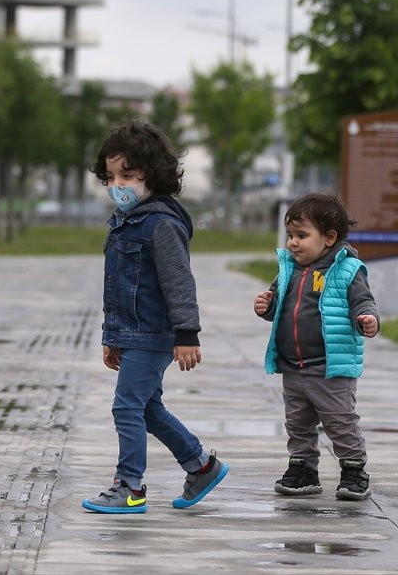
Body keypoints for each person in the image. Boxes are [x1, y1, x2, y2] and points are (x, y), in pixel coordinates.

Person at [80, 120, 229, 514]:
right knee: (146, 408)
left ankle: (129, 486)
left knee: (125, 407)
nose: (118, 185)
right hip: (132, 334)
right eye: (111, 177)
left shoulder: (161, 224)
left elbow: (180, 283)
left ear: (152, 174)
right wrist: (112, 337)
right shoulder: (125, 223)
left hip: (155, 334)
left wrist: (187, 334)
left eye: (127, 175)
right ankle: (201, 466)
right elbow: (118, 287)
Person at [253, 192, 380, 501]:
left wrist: (367, 317)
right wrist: (266, 306)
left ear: (329, 238)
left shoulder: (347, 271)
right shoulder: (289, 272)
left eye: (301, 235)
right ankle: (303, 468)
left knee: (340, 421)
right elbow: (278, 306)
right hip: (293, 366)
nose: (293, 243)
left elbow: (364, 301)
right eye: (290, 236)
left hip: (330, 366)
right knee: (298, 423)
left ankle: (353, 469)